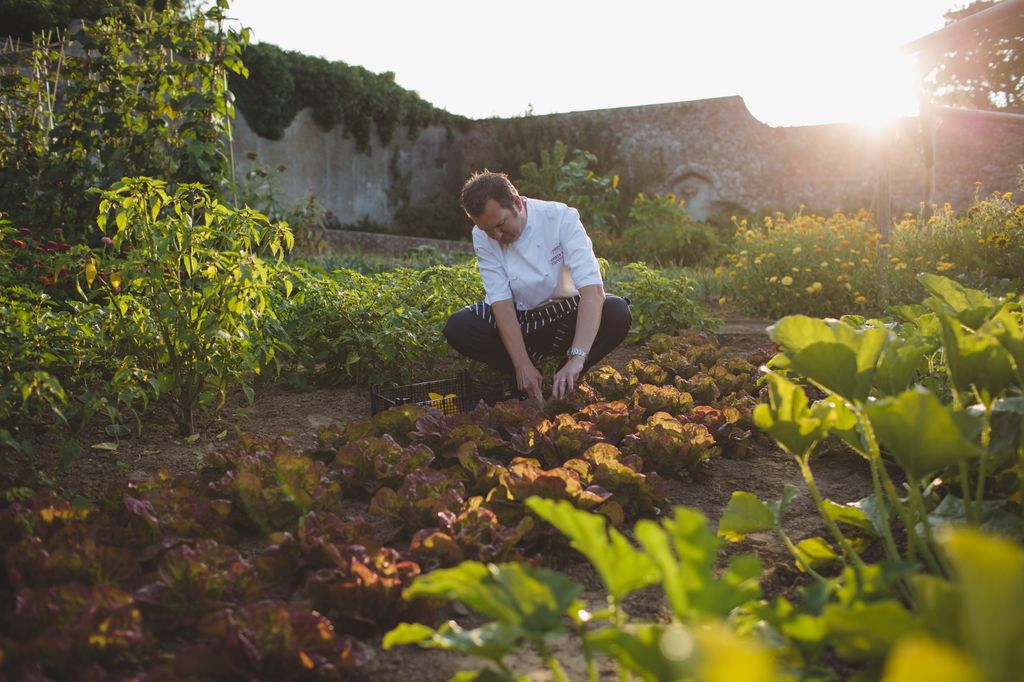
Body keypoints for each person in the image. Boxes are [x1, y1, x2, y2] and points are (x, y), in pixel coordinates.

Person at [443, 170, 632, 402]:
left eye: (500, 224)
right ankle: (522, 376)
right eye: (487, 229)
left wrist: (577, 358)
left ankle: (567, 376)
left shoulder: (560, 218)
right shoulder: (483, 236)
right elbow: (501, 302)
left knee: (617, 312)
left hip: (566, 314)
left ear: (517, 203)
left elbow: (592, 291)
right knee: (459, 327)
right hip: (522, 321)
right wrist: (521, 363)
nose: (496, 235)